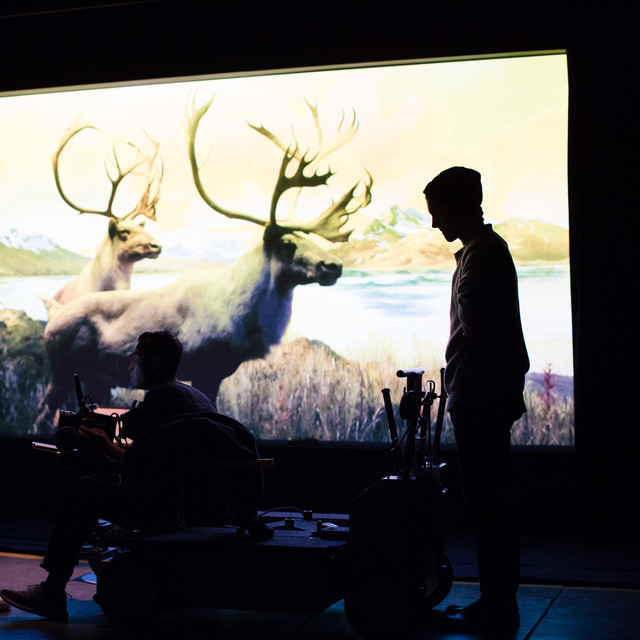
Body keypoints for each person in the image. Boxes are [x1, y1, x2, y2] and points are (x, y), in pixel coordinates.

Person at [0, 331, 224, 622]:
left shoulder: (162, 398)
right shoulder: (194, 395)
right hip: (197, 506)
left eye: (135, 360)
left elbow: (145, 467)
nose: (130, 367)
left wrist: (105, 447)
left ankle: (52, 593)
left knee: (82, 491)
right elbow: (162, 460)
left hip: (169, 508)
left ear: (153, 363)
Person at [423, 167, 529, 633]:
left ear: (458, 207)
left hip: (481, 396)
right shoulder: (481, 252)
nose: (434, 224)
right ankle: (496, 599)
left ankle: (496, 603)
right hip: (484, 393)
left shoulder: (481, 256)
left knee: (489, 504)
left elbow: (478, 329)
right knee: (490, 501)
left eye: (438, 212)